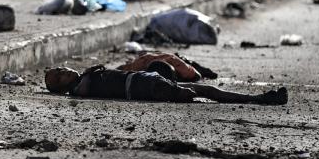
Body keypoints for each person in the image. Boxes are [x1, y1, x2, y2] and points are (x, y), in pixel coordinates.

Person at [44, 63, 288, 105]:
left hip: (144, 80)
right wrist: (87, 74)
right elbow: (84, 91)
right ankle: (261, 99)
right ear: (62, 88)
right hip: (144, 87)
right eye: (59, 76)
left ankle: (260, 98)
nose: (64, 71)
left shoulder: (85, 79)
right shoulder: (79, 88)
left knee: (208, 91)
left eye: (60, 68)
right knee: (194, 93)